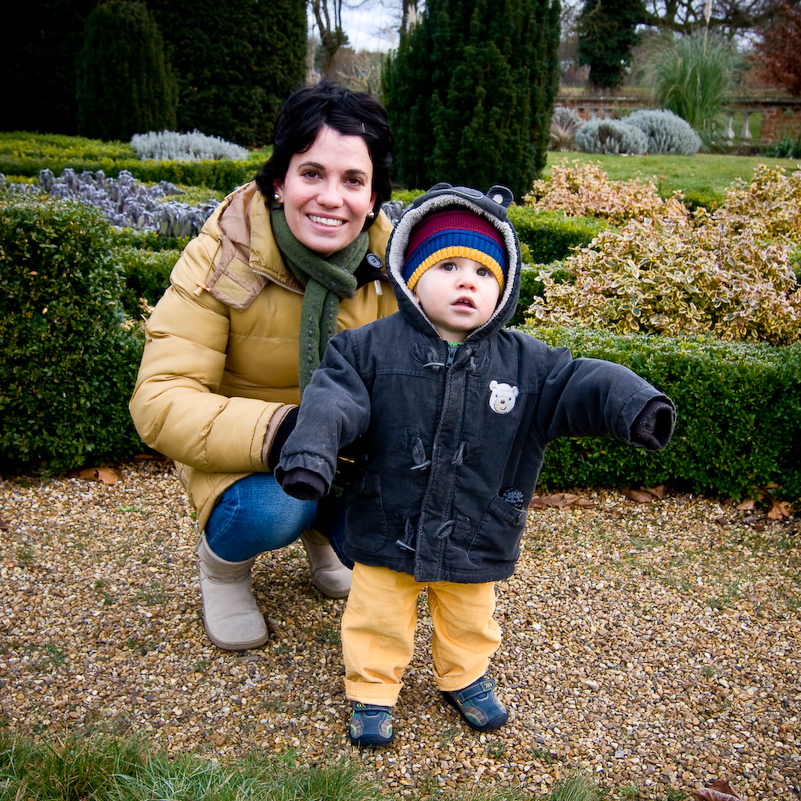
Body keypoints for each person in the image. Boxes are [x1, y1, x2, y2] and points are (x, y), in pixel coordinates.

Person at [275, 182, 676, 747]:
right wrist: (312, 452)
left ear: (505, 288)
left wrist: (635, 407)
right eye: (449, 266)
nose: (467, 281)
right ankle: (371, 688)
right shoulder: (366, 349)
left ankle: (463, 675)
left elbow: (581, 381)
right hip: (388, 518)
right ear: (410, 277)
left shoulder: (527, 363)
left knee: (469, 613)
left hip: (478, 520)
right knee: (377, 613)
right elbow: (331, 398)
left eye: (485, 273)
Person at [128, 80, 398, 652]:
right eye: (311, 173)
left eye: (353, 180)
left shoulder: (394, 263)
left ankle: (327, 533)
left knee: (389, 527)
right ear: (279, 182)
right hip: (246, 454)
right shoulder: (223, 251)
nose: (331, 197)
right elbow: (160, 396)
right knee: (279, 507)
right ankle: (223, 569)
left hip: (349, 451)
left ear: (373, 196)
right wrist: (282, 434)